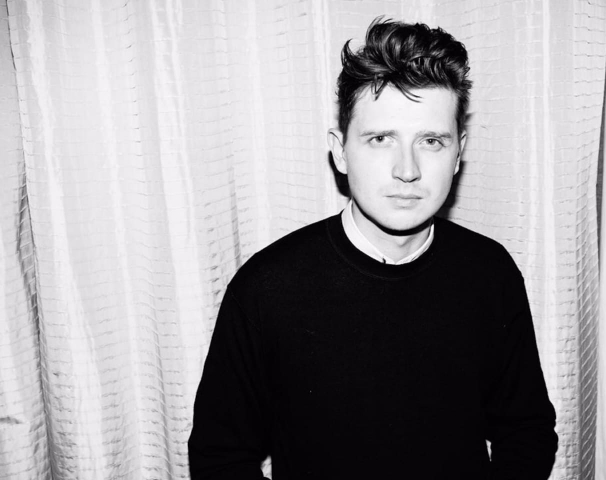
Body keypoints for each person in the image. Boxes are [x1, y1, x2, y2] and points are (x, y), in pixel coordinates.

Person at [188, 18, 558, 480]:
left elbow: (527, 430)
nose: (407, 170)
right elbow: (219, 458)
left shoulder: (490, 273)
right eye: (381, 139)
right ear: (340, 150)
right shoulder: (267, 288)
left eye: (431, 141)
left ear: (458, 153)